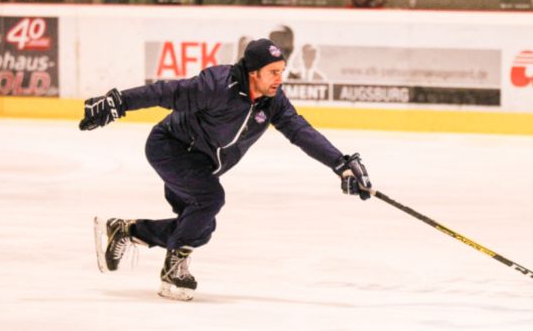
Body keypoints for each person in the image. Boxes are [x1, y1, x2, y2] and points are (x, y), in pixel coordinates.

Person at [80, 38, 372, 301]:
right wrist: (118, 102)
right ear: (253, 72)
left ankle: (127, 231)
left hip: (203, 163)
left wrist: (340, 164)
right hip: (171, 148)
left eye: (282, 71)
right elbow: (165, 91)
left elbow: (299, 130)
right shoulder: (217, 85)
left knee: (200, 227)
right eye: (273, 72)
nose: (279, 79)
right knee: (209, 200)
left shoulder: (273, 101)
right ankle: (172, 272)